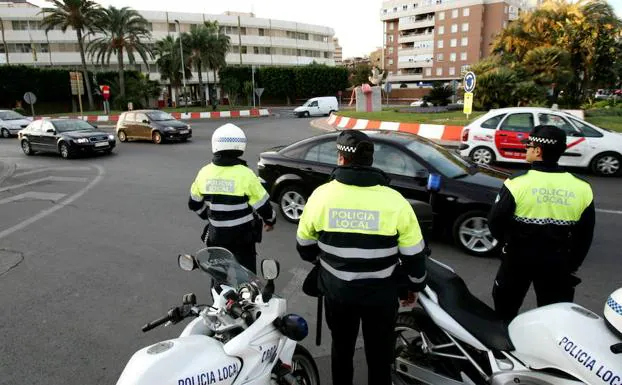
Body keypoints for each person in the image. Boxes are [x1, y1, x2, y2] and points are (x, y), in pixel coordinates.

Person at [296, 129, 428, 385]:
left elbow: (304, 246)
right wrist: (415, 284)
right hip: (381, 296)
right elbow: (414, 255)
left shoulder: (321, 196)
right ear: (370, 161)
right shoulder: (395, 201)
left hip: (337, 293)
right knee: (380, 354)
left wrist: (325, 263)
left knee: (342, 348)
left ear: (341, 158)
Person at [488, 125, 595, 323]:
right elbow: (585, 235)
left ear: (538, 151)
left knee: (505, 310)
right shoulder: (582, 187)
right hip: (557, 263)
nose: (525, 150)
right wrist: (572, 264)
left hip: (517, 260)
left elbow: (495, 223)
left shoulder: (517, 183)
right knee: (552, 318)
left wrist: (506, 245)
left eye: (528, 146)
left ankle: (504, 351)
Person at [188, 123, 276, 273]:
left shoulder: (204, 172)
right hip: (243, 239)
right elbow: (264, 207)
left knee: (218, 274)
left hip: (216, 237)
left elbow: (194, 204)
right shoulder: (246, 174)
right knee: (246, 278)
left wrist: (207, 216)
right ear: (240, 146)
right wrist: (270, 221)